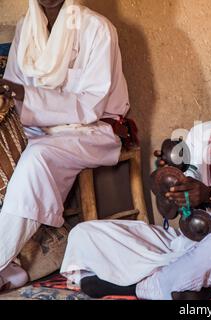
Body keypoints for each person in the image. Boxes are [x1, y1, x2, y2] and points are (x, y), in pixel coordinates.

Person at [60, 48, 211, 300]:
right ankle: (186, 285)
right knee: (85, 234)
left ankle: (136, 288)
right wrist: (168, 182)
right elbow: (170, 213)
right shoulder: (204, 132)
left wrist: (209, 197)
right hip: (189, 239)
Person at [0, 0, 129, 291]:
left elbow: (90, 105)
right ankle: (11, 268)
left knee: (38, 158)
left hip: (92, 129)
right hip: (37, 125)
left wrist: (26, 95)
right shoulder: (26, 27)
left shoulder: (97, 28)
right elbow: (13, 87)